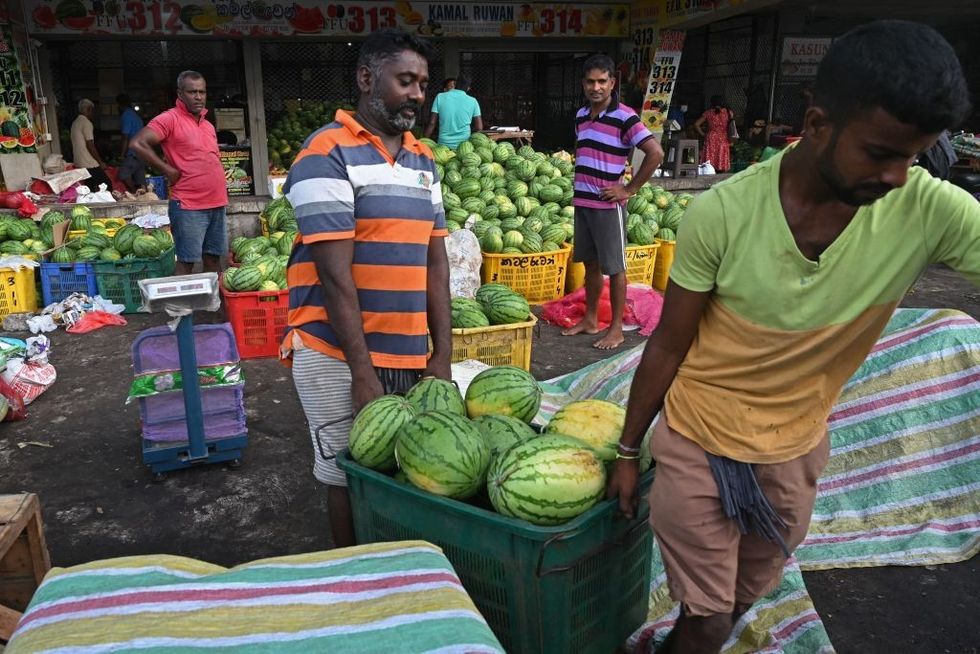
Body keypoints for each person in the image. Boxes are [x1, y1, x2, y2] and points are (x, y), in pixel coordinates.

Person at [605, 20, 978, 653]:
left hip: (794, 448)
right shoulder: (722, 212)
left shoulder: (927, 208)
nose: (896, 176)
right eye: (881, 152)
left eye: (913, 156)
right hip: (700, 436)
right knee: (707, 620)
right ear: (817, 124)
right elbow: (668, 343)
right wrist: (627, 450)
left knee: (746, 597)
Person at [281, 30, 452, 548]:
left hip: (407, 352)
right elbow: (335, 275)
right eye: (405, 81)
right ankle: (357, 574)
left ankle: (396, 569)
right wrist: (362, 372)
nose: (418, 94)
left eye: (422, 83)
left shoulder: (424, 159)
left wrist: (441, 353)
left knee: (406, 470)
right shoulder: (324, 152)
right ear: (365, 79)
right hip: (337, 352)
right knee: (346, 475)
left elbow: (435, 262)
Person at [562, 54, 664, 350]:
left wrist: (628, 189)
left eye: (602, 81)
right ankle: (591, 319)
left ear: (612, 83)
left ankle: (616, 328)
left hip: (608, 206)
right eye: (591, 81)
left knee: (615, 268)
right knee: (591, 266)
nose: (596, 87)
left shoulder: (625, 116)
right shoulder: (581, 115)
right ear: (583, 84)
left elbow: (655, 153)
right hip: (583, 203)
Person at [130, 71, 228, 275]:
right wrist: (167, 170)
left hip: (217, 202)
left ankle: (216, 305)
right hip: (189, 205)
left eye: (202, 92)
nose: (198, 97)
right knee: (186, 261)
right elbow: (138, 143)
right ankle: (180, 308)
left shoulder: (207, 124)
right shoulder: (170, 119)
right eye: (192, 92)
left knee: (213, 259)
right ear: (180, 93)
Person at [424, 75, 482, 149]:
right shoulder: (473, 101)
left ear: (455, 84)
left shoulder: (440, 97)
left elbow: (432, 122)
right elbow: (479, 128)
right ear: (468, 88)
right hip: (464, 147)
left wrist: (423, 140)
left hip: (443, 146)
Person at [70, 99, 112, 191]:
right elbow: (90, 145)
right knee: (107, 185)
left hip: (79, 162)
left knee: (90, 187)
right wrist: (100, 162)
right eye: (93, 110)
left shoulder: (75, 122)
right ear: (89, 109)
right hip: (89, 163)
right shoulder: (86, 123)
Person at [693, 95, 734, 172]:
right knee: (721, 155)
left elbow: (696, 124)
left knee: (710, 158)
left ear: (712, 103)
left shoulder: (708, 113)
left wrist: (703, 134)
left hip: (711, 138)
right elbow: (731, 126)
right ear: (722, 102)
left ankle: (709, 171)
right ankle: (721, 173)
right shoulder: (729, 112)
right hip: (723, 137)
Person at [116, 94, 145, 193]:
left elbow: (125, 137)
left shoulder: (126, 115)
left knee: (123, 175)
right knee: (140, 179)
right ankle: (144, 197)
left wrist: (122, 155)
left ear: (120, 105)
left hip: (133, 153)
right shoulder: (136, 116)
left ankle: (133, 192)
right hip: (142, 151)